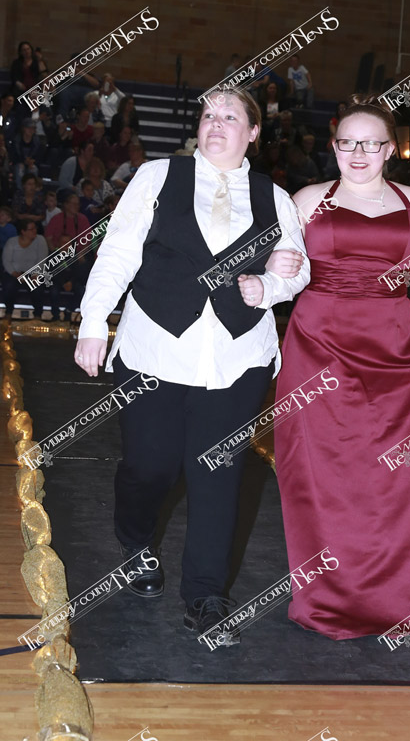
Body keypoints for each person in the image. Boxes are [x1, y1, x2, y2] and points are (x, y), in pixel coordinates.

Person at [74, 88, 310, 641]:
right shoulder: (158, 176)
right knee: (149, 467)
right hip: (154, 349)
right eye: (208, 115)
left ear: (253, 132)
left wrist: (269, 286)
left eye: (230, 116)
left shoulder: (276, 198)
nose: (216, 123)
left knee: (217, 475)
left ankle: (205, 595)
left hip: (238, 359)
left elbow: (296, 269)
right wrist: (93, 322)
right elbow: (118, 252)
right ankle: (135, 541)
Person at [271, 95, 410, 641]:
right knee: (319, 475)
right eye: (347, 142)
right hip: (317, 345)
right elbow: (284, 270)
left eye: (371, 143)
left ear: (390, 149)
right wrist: (274, 267)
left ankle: (392, 600)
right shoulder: (306, 199)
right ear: (334, 146)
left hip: (394, 351)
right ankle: (325, 598)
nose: (358, 153)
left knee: (393, 479)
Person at [45, 192, 92, 322]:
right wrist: (56, 252)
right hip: (58, 254)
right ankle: (55, 316)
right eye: (73, 204)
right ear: (65, 205)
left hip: (76, 255)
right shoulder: (57, 218)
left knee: (81, 289)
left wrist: (80, 254)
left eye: (78, 204)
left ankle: (69, 310)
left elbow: (88, 239)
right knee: (53, 290)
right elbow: (48, 237)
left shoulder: (82, 219)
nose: (76, 206)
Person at [2, 220, 47, 322]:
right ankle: (8, 313)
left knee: (37, 286)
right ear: (23, 231)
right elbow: (6, 260)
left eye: (35, 228)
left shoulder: (40, 240)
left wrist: (35, 274)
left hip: (33, 273)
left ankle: (37, 315)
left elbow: (42, 260)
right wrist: (15, 274)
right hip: (14, 273)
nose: (35, 231)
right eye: (31, 229)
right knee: (9, 286)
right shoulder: (12, 242)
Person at [10, 118, 42, 190]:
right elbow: (13, 156)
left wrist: (32, 161)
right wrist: (23, 161)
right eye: (28, 128)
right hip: (19, 163)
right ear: (23, 128)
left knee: (34, 169)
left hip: (31, 164)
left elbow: (39, 157)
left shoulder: (37, 142)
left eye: (33, 128)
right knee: (20, 169)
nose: (31, 130)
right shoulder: (16, 140)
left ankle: (31, 190)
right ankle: (20, 190)